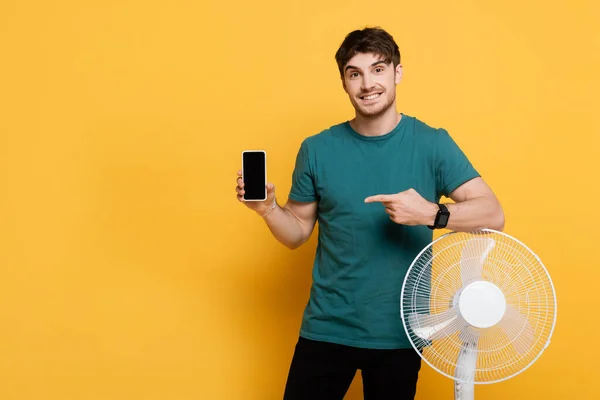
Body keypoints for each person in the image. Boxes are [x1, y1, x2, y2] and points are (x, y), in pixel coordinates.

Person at [235, 26, 504, 400]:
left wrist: (431, 213)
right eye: (354, 73)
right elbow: (296, 232)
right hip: (327, 329)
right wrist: (267, 210)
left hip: (398, 335)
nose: (367, 84)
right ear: (344, 82)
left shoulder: (432, 143)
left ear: (397, 73)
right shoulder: (316, 149)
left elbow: (492, 213)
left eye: (378, 69)